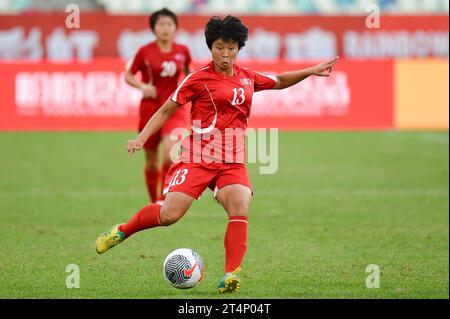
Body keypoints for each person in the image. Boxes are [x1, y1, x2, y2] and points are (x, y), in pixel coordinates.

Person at [97, 15, 339, 294]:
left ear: (239, 48)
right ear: (210, 47)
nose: (226, 54)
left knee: (240, 205)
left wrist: (311, 70)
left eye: (232, 47)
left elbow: (280, 80)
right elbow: (166, 109)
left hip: (232, 161)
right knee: (169, 215)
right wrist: (141, 138)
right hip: (198, 156)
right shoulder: (197, 79)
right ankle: (122, 231)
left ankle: (230, 274)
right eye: (220, 47)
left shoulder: (248, 77)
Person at [125, 8, 192, 204]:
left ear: (175, 28)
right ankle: (153, 200)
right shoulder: (144, 52)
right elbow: (128, 75)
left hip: (173, 108)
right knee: (152, 162)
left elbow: (190, 72)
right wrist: (143, 86)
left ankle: (163, 200)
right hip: (150, 109)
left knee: (171, 155)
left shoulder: (182, 51)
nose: (165, 29)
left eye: (169, 24)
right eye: (161, 24)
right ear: (154, 28)